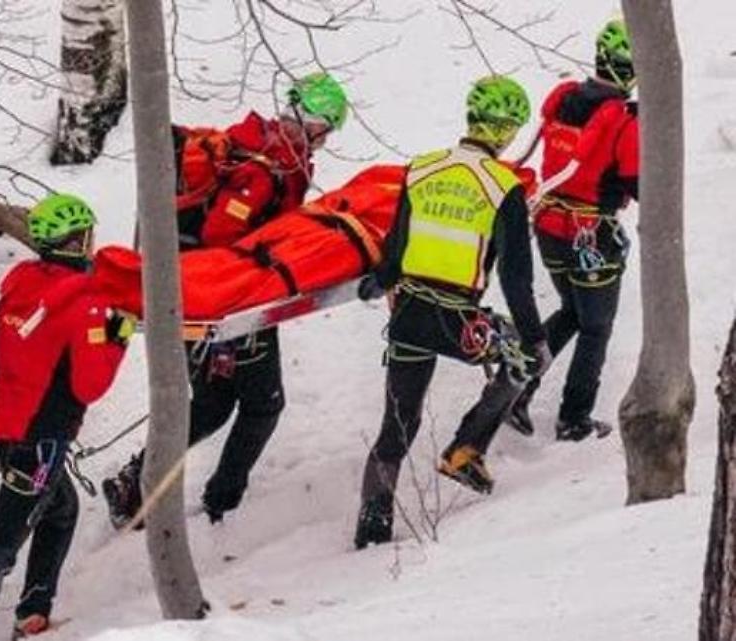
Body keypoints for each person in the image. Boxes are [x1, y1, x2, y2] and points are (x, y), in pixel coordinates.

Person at [103, 72, 350, 526]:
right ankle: (222, 504)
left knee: (214, 405)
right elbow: (223, 233)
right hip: (229, 300)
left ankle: (137, 483)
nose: (323, 141)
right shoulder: (263, 168)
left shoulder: (259, 152)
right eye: (324, 130)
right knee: (262, 404)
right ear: (311, 121)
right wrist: (274, 257)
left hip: (207, 295)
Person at [352, 76, 550, 550]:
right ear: (505, 131)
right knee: (525, 363)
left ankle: (372, 529)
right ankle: (466, 449)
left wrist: (375, 282)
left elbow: (395, 251)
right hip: (462, 322)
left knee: (398, 425)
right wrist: (534, 338)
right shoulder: (504, 187)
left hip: (410, 313)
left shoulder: (421, 170)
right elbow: (516, 280)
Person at [0, 193, 132, 641]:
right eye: (87, 236)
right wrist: (117, 338)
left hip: (6, 427)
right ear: (77, 241)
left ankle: (33, 611)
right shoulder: (85, 304)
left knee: (61, 510)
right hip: (39, 437)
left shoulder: (22, 282)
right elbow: (90, 385)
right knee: (2, 543)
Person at [505, 19, 639, 441]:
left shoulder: (564, 100)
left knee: (572, 311)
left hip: (549, 225)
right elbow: (638, 181)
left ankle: (517, 390)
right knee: (596, 325)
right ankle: (574, 417)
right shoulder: (623, 119)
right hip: (591, 233)